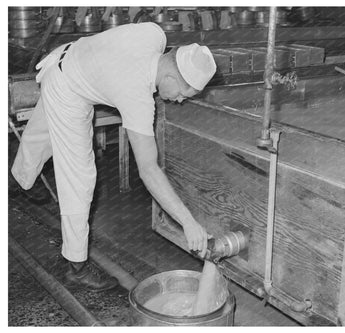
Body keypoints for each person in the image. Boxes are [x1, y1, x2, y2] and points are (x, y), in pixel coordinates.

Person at [11, 22, 217, 291]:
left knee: (39, 136)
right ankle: (77, 266)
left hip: (63, 60)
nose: (178, 100)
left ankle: (18, 180)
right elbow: (148, 170)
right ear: (169, 78)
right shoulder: (137, 94)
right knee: (80, 178)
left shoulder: (154, 34)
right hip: (69, 89)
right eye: (181, 94)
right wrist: (188, 222)